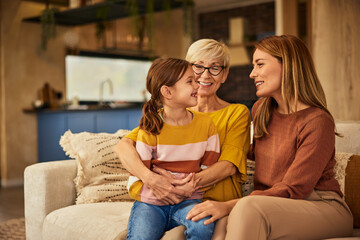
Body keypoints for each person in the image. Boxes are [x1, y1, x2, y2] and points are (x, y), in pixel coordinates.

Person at [186, 35, 353, 239]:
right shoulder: (262, 109)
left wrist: (228, 205)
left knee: (246, 208)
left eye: (259, 64)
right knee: (217, 222)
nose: (251, 73)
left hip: (320, 205)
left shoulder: (317, 121)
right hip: (269, 203)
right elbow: (252, 154)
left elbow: (295, 187)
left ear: (288, 66)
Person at [114, 39, 250, 239]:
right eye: (198, 67)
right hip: (165, 199)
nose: (205, 75)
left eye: (214, 68)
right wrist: (152, 178)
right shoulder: (169, 114)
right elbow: (123, 146)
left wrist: (177, 184)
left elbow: (229, 165)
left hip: (212, 203)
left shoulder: (236, 113)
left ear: (224, 74)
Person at [126, 57, 221, 240]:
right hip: (150, 204)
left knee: (203, 225)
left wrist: (184, 188)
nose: (197, 85)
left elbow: (208, 169)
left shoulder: (206, 125)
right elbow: (139, 174)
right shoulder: (149, 127)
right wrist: (167, 189)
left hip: (189, 200)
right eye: (190, 81)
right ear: (167, 91)